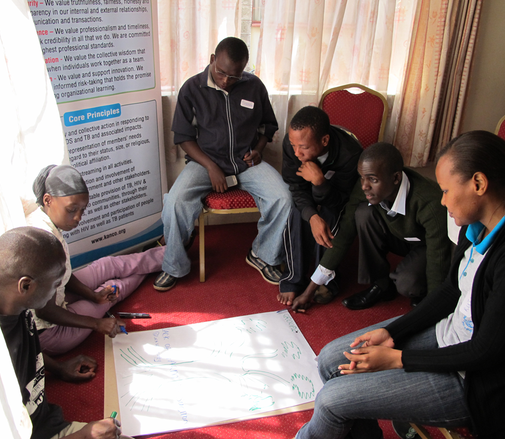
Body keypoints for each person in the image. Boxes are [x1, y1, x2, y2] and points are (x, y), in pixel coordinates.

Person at [293, 131, 505, 439]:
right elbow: (449, 292)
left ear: (478, 184)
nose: (441, 199)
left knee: (331, 401)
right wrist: (393, 333)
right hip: (450, 338)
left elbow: (486, 351)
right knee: (332, 359)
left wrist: (398, 359)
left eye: (445, 190)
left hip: (477, 383)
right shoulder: (478, 226)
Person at [154, 36, 293, 291]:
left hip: (246, 162)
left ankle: (263, 255)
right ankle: (174, 265)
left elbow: (268, 126)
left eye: (234, 76)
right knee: (175, 202)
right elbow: (184, 138)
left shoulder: (253, 86)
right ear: (212, 60)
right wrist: (210, 166)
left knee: (284, 197)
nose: (226, 80)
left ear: (244, 71)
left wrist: (259, 150)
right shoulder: (192, 89)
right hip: (205, 161)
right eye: (221, 73)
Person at [0, 226, 132, 439]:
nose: (58, 292)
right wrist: (84, 436)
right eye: (55, 285)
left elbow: (24, 349)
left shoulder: (4, 292)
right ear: (26, 285)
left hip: (45, 419)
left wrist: (59, 368)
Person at [292, 142, 452, 312]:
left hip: (428, 246)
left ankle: (420, 291)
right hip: (401, 237)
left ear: (396, 178)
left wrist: (433, 307)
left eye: (373, 180)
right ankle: (381, 285)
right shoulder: (367, 187)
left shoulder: (431, 203)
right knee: (363, 213)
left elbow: (438, 259)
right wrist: (310, 290)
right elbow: (345, 233)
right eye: (362, 177)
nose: (364, 186)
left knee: (407, 284)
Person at [26, 164, 164, 355]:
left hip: (57, 296)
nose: (77, 218)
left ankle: (168, 255)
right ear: (48, 200)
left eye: (82, 210)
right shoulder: (42, 241)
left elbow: (62, 274)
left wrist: (92, 295)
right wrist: (98, 324)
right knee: (114, 289)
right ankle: (155, 265)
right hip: (49, 330)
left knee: (108, 265)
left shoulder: (43, 220)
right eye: (72, 209)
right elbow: (44, 312)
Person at [278, 106, 362, 306]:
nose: (296, 152)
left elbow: (340, 200)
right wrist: (312, 216)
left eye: (303, 147)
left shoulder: (351, 154)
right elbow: (296, 188)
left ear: (324, 141)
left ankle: (326, 279)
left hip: (336, 195)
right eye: (293, 144)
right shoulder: (293, 145)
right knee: (296, 211)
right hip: (305, 189)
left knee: (330, 215)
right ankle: (294, 277)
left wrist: (319, 183)